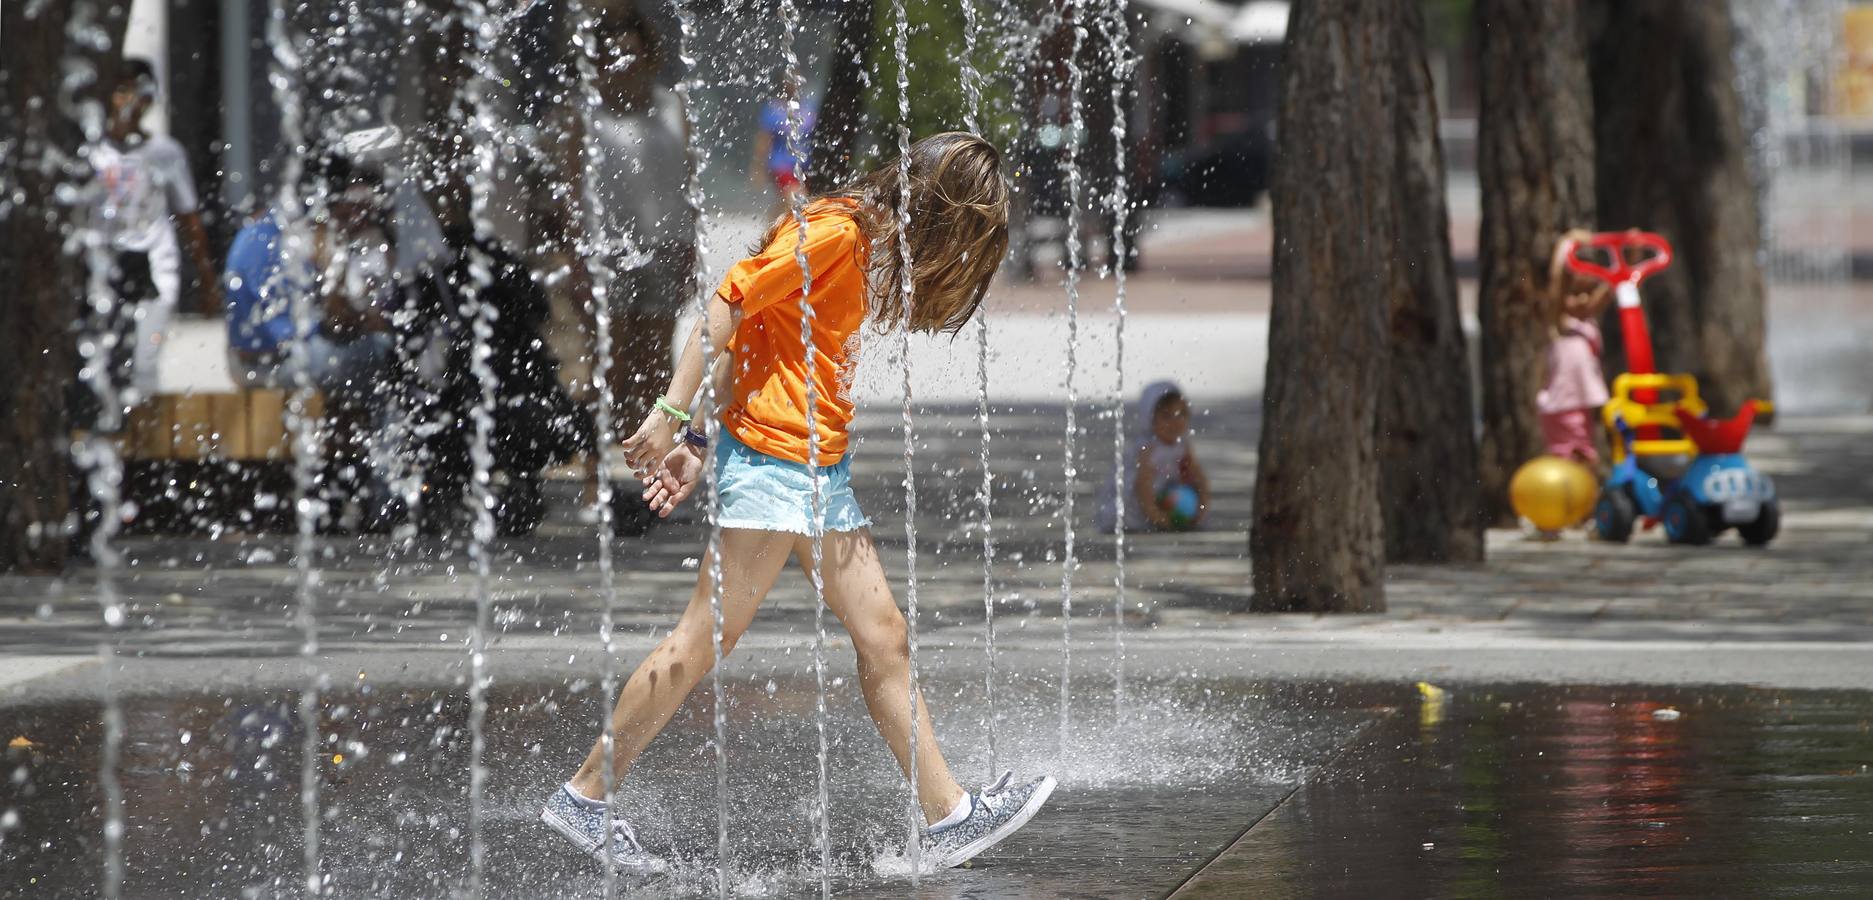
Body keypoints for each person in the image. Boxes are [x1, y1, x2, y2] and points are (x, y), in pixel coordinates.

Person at [538, 132, 1055, 874]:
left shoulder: (847, 232)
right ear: (937, 210)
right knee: (700, 641)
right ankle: (583, 797)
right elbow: (727, 303)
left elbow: (761, 334)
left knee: (885, 637)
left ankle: (950, 816)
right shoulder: (833, 230)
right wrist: (671, 414)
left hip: (810, 469)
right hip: (780, 467)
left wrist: (702, 441)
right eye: (963, 233)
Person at [221, 127, 405, 527]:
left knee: (357, 380)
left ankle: (335, 490)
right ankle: (384, 503)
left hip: (243, 361)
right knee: (387, 370)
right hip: (286, 359)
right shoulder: (309, 230)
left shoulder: (260, 223)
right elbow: (337, 315)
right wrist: (369, 318)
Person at [563, 8, 699, 535]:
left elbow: (687, 182)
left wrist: (691, 245)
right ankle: (595, 481)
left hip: (664, 250)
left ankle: (653, 484)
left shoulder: (671, 107)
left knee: (654, 370)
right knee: (608, 367)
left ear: (648, 55)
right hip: (608, 253)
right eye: (612, 53)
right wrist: (576, 257)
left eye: (631, 51)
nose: (622, 62)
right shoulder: (586, 114)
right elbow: (574, 193)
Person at [84, 58, 222, 407]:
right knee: (99, 354)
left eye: (139, 92)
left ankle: (136, 437)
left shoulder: (165, 153)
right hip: (104, 266)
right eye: (122, 90)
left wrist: (206, 281)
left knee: (143, 359)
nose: (130, 100)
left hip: (153, 265)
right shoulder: (92, 152)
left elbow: (189, 218)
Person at [1539, 229, 1614, 465]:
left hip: (1582, 407)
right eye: (1574, 293)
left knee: (1585, 460)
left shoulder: (1587, 323)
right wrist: (1565, 247)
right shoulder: (1559, 323)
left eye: (1586, 293)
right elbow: (1556, 285)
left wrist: (1628, 258)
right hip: (1561, 406)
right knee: (1565, 459)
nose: (1581, 299)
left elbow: (1608, 289)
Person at [1097, 381, 1211, 533]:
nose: (1175, 422)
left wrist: (1201, 508)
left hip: (1168, 501)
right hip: (1140, 508)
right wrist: (1158, 518)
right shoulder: (1146, 450)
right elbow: (1142, 486)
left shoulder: (1184, 447)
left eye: (1181, 414)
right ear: (1149, 418)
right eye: (1166, 416)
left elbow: (1199, 479)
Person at [751, 95, 816, 206]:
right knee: (798, 199)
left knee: (786, 204)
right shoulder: (773, 110)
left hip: (803, 167)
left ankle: (773, 222)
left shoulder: (808, 107)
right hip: (781, 166)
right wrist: (758, 167)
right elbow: (764, 139)